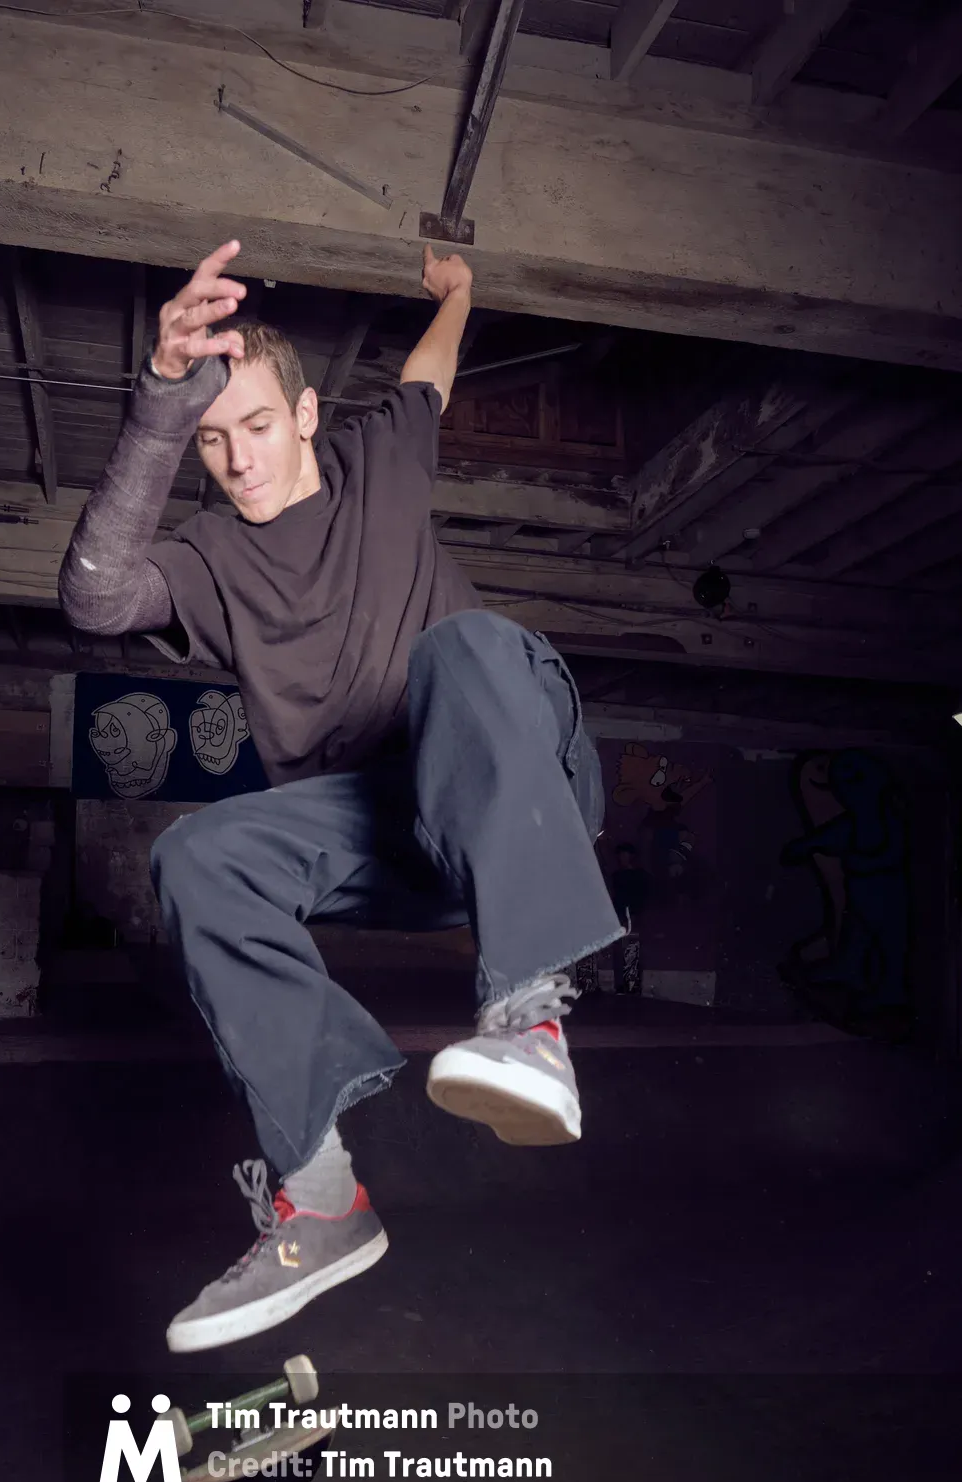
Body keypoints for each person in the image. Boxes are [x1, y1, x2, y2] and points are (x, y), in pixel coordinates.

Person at [59, 239, 624, 1353]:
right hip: (391, 837)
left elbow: (432, 372)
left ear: (308, 416)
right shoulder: (209, 561)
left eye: (258, 427)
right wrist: (163, 402)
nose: (239, 460)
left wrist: (461, 290)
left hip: (524, 785)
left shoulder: (385, 461)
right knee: (198, 856)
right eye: (215, 443)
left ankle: (533, 1023)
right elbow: (93, 597)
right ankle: (319, 1197)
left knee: (464, 648)